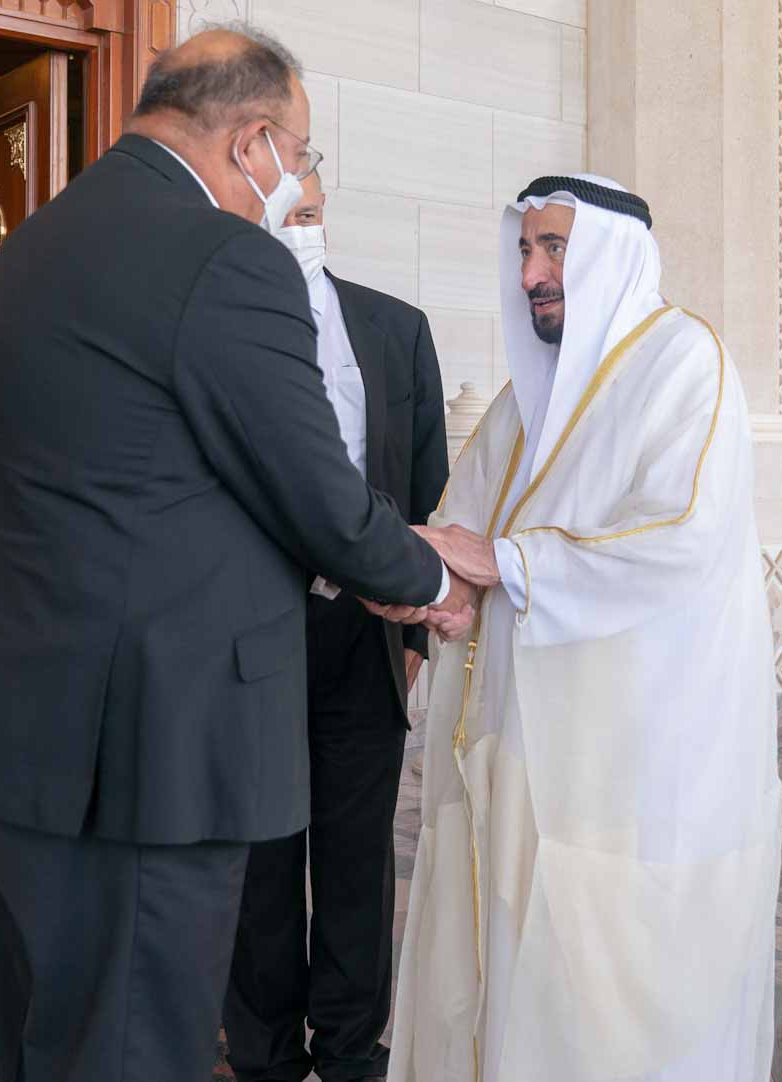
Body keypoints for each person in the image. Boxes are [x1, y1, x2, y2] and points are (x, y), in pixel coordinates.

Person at [0, 27, 475, 1082]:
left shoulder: (39, 238)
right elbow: (313, 489)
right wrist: (433, 577)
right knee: (135, 1042)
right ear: (253, 142)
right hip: (151, 738)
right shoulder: (227, 257)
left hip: (25, 725)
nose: (301, 181)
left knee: (48, 1029)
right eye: (303, 155)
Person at [384, 175, 782, 1082]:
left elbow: (680, 538)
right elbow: (463, 527)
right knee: (508, 973)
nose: (532, 273)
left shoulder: (684, 362)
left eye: (554, 248)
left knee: (607, 1004)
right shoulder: (525, 399)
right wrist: (431, 586)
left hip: (632, 773)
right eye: (525, 250)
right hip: (518, 750)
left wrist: (500, 564)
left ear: (610, 254)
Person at [223, 172, 450, 1082]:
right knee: (261, 862)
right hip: (253, 637)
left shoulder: (396, 328)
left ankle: (352, 1049)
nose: (299, 229)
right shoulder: (217, 329)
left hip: (366, 632)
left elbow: (428, 491)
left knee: (359, 859)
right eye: (283, 216)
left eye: (310, 213)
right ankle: (264, 1052)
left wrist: (415, 637)